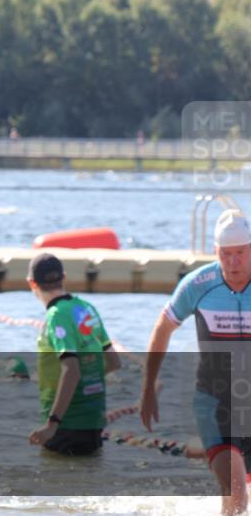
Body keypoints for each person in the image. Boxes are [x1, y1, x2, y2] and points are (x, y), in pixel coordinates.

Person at [140, 209, 251, 516]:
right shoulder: (199, 284)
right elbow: (163, 327)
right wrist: (149, 386)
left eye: (240, 254)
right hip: (213, 403)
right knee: (237, 493)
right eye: (224, 255)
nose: (232, 263)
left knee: (235, 500)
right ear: (215, 252)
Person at [27, 253, 121, 456]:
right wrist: (88, 381)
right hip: (94, 419)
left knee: (58, 481)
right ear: (64, 277)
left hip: (66, 423)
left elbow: (71, 370)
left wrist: (52, 424)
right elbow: (114, 362)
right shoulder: (87, 309)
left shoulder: (56, 316)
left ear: (32, 283)